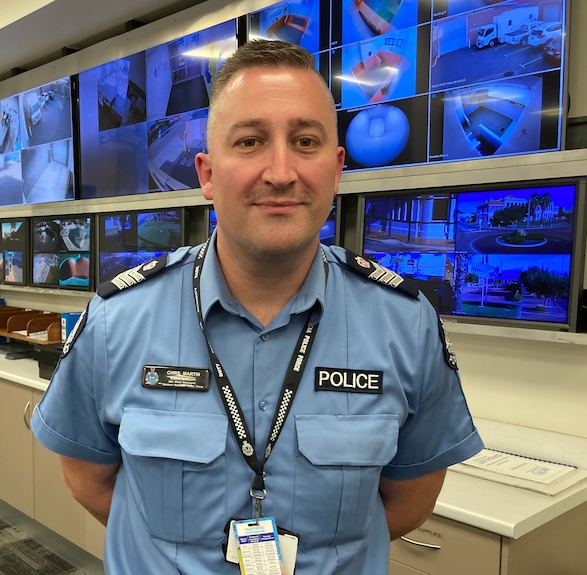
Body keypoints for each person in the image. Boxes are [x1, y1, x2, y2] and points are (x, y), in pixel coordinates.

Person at [31, 39, 483, 574]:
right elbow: (88, 481)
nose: (281, 171)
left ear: (336, 171)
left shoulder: (404, 324)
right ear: (205, 173)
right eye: (249, 142)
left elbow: (409, 502)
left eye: (306, 141)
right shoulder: (116, 321)